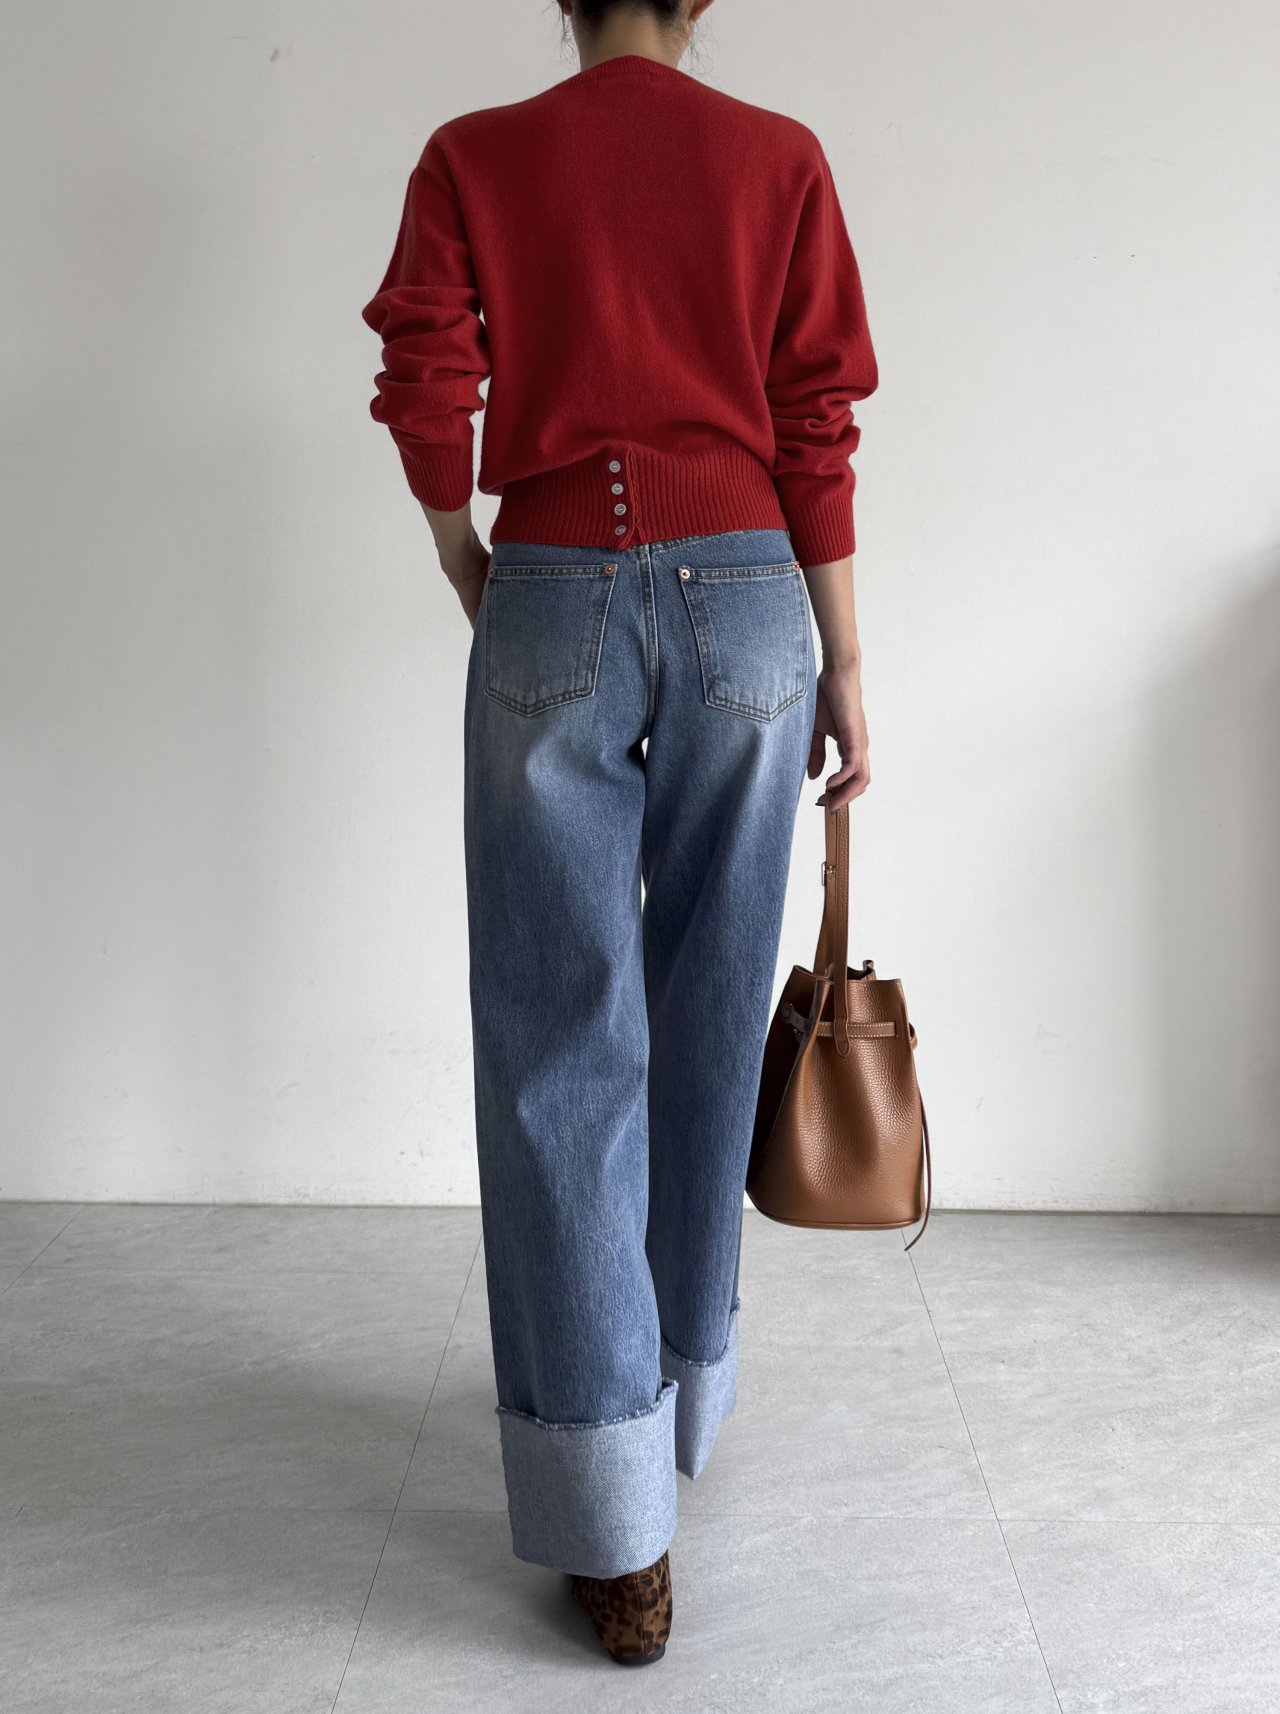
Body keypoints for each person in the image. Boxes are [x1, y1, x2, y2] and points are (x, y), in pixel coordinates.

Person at [360, 0, 877, 1666]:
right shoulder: (779, 160)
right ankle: (675, 1403)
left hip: (554, 587)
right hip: (750, 604)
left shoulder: (476, 157)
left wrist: (466, 548)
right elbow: (816, 417)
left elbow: (426, 374)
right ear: (701, 0)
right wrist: (844, 660)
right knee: (709, 1016)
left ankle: (611, 1518)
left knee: (559, 1039)